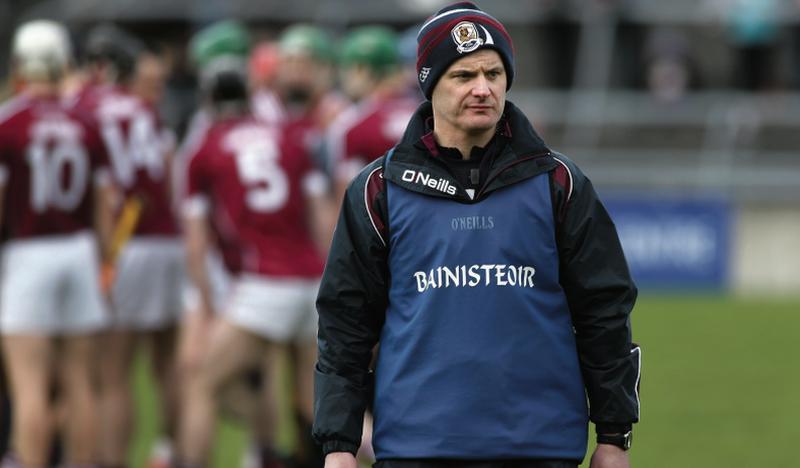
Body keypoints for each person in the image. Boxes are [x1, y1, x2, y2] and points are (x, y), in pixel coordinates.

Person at [313, 3, 641, 468]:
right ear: (430, 84)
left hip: (540, 446)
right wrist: (339, 445)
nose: (483, 89)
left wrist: (613, 435)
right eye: (464, 75)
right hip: (417, 447)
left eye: (494, 73)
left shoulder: (558, 182)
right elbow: (345, 325)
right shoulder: (379, 190)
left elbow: (604, 312)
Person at [176, 55, 334, 468]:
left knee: (202, 385)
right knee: (306, 391)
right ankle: (283, 456)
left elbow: (195, 242)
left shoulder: (204, 149)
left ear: (208, 99)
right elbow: (321, 217)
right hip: (311, 281)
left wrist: (207, 308)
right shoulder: (289, 136)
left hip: (265, 283)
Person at [0, 20, 115, 465]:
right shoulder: (85, 124)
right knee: (79, 382)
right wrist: (105, 264)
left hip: (28, 254)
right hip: (80, 251)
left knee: (29, 386)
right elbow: (105, 206)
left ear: (19, 66)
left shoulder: (9, 122)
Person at [326, 25, 419, 202]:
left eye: (348, 69)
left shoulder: (352, 124)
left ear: (363, 70)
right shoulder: (426, 113)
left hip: (380, 224)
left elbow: (346, 200)